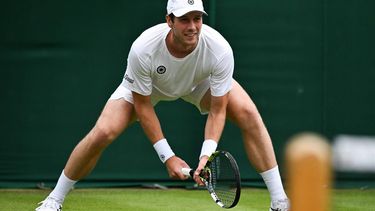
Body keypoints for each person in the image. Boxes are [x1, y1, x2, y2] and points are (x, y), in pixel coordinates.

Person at [36, 0, 290, 210]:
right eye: (184, 20)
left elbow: (218, 109)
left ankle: (279, 202)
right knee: (103, 132)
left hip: (198, 84)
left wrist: (206, 156)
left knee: (248, 113)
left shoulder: (219, 49)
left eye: (197, 19)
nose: (192, 27)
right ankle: (54, 200)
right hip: (147, 88)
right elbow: (143, 106)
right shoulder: (143, 49)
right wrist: (168, 157)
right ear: (169, 21)